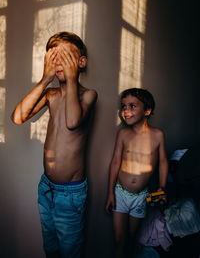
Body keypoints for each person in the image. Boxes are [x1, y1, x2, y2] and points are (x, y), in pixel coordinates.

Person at [11, 31, 98, 258]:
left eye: (67, 57)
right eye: (55, 58)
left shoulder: (88, 95)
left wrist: (69, 79)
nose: (60, 63)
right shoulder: (51, 94)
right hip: (46, 187)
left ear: (81, 62)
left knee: (70, 251)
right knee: (50, 248)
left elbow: (72, 122)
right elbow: (18, 117)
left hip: (70, 195)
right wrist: (44, 79)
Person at [105, 88, 168, 258]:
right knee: (119, 240)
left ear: (147, 111)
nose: (125, 111)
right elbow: (116, 162)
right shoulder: (123, 134)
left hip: (141, 196)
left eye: (132, 106)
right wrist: (110, 192)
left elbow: (162, 162)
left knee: (132, 239)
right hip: (120, 194)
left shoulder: (157, 135)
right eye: (123, 106)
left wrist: (162, 187)